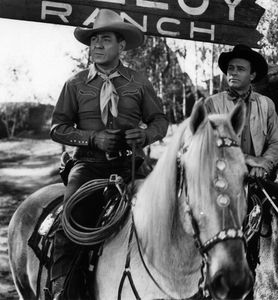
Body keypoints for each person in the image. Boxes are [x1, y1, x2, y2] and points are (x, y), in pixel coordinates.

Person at [49, 9, 168, 299]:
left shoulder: (138, 82)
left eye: (105, 39)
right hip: (88, 167)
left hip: (131, 165)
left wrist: (146, 134)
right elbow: (57, 128)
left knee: (167, 217)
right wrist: (93, 138)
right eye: (93, 41)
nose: (97, 46)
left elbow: (160, 121)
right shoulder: (75, 84)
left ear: (121, 45)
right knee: (69, 229)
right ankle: (63, 293)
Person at [205, 44, 278, 179]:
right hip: (220, 177)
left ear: (252, 75)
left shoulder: (266, 104)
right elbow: (206, 144)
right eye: (231, 68)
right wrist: (247, 159)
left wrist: (263, 165)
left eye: (240, 69)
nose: (233, 73)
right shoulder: (212, 103)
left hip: (256, 176)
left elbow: (276, 143)